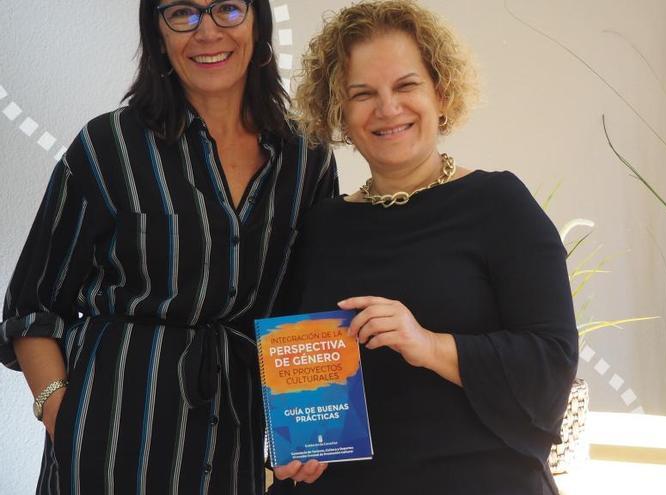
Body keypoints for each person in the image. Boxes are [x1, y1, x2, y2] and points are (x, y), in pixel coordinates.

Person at [1, 1, 335, 493]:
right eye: (183, 12)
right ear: (157, 34)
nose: (207, 31)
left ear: (258, 22)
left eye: (227, 8)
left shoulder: (307, 160)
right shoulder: (108, 145)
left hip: (234, 438)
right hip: (109, 438)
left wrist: (312, 431)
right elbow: (32, 308)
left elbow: (306, 310)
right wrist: (60, 413)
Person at [271, 1, 578, 494]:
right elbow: (297, 364)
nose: (387, 107)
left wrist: (427, 344)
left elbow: (552, 366)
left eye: (406, 85)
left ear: (440, 91)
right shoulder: (324, 224)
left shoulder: (499, 204)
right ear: (340, 114)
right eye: (362, 94)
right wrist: (296, 444)